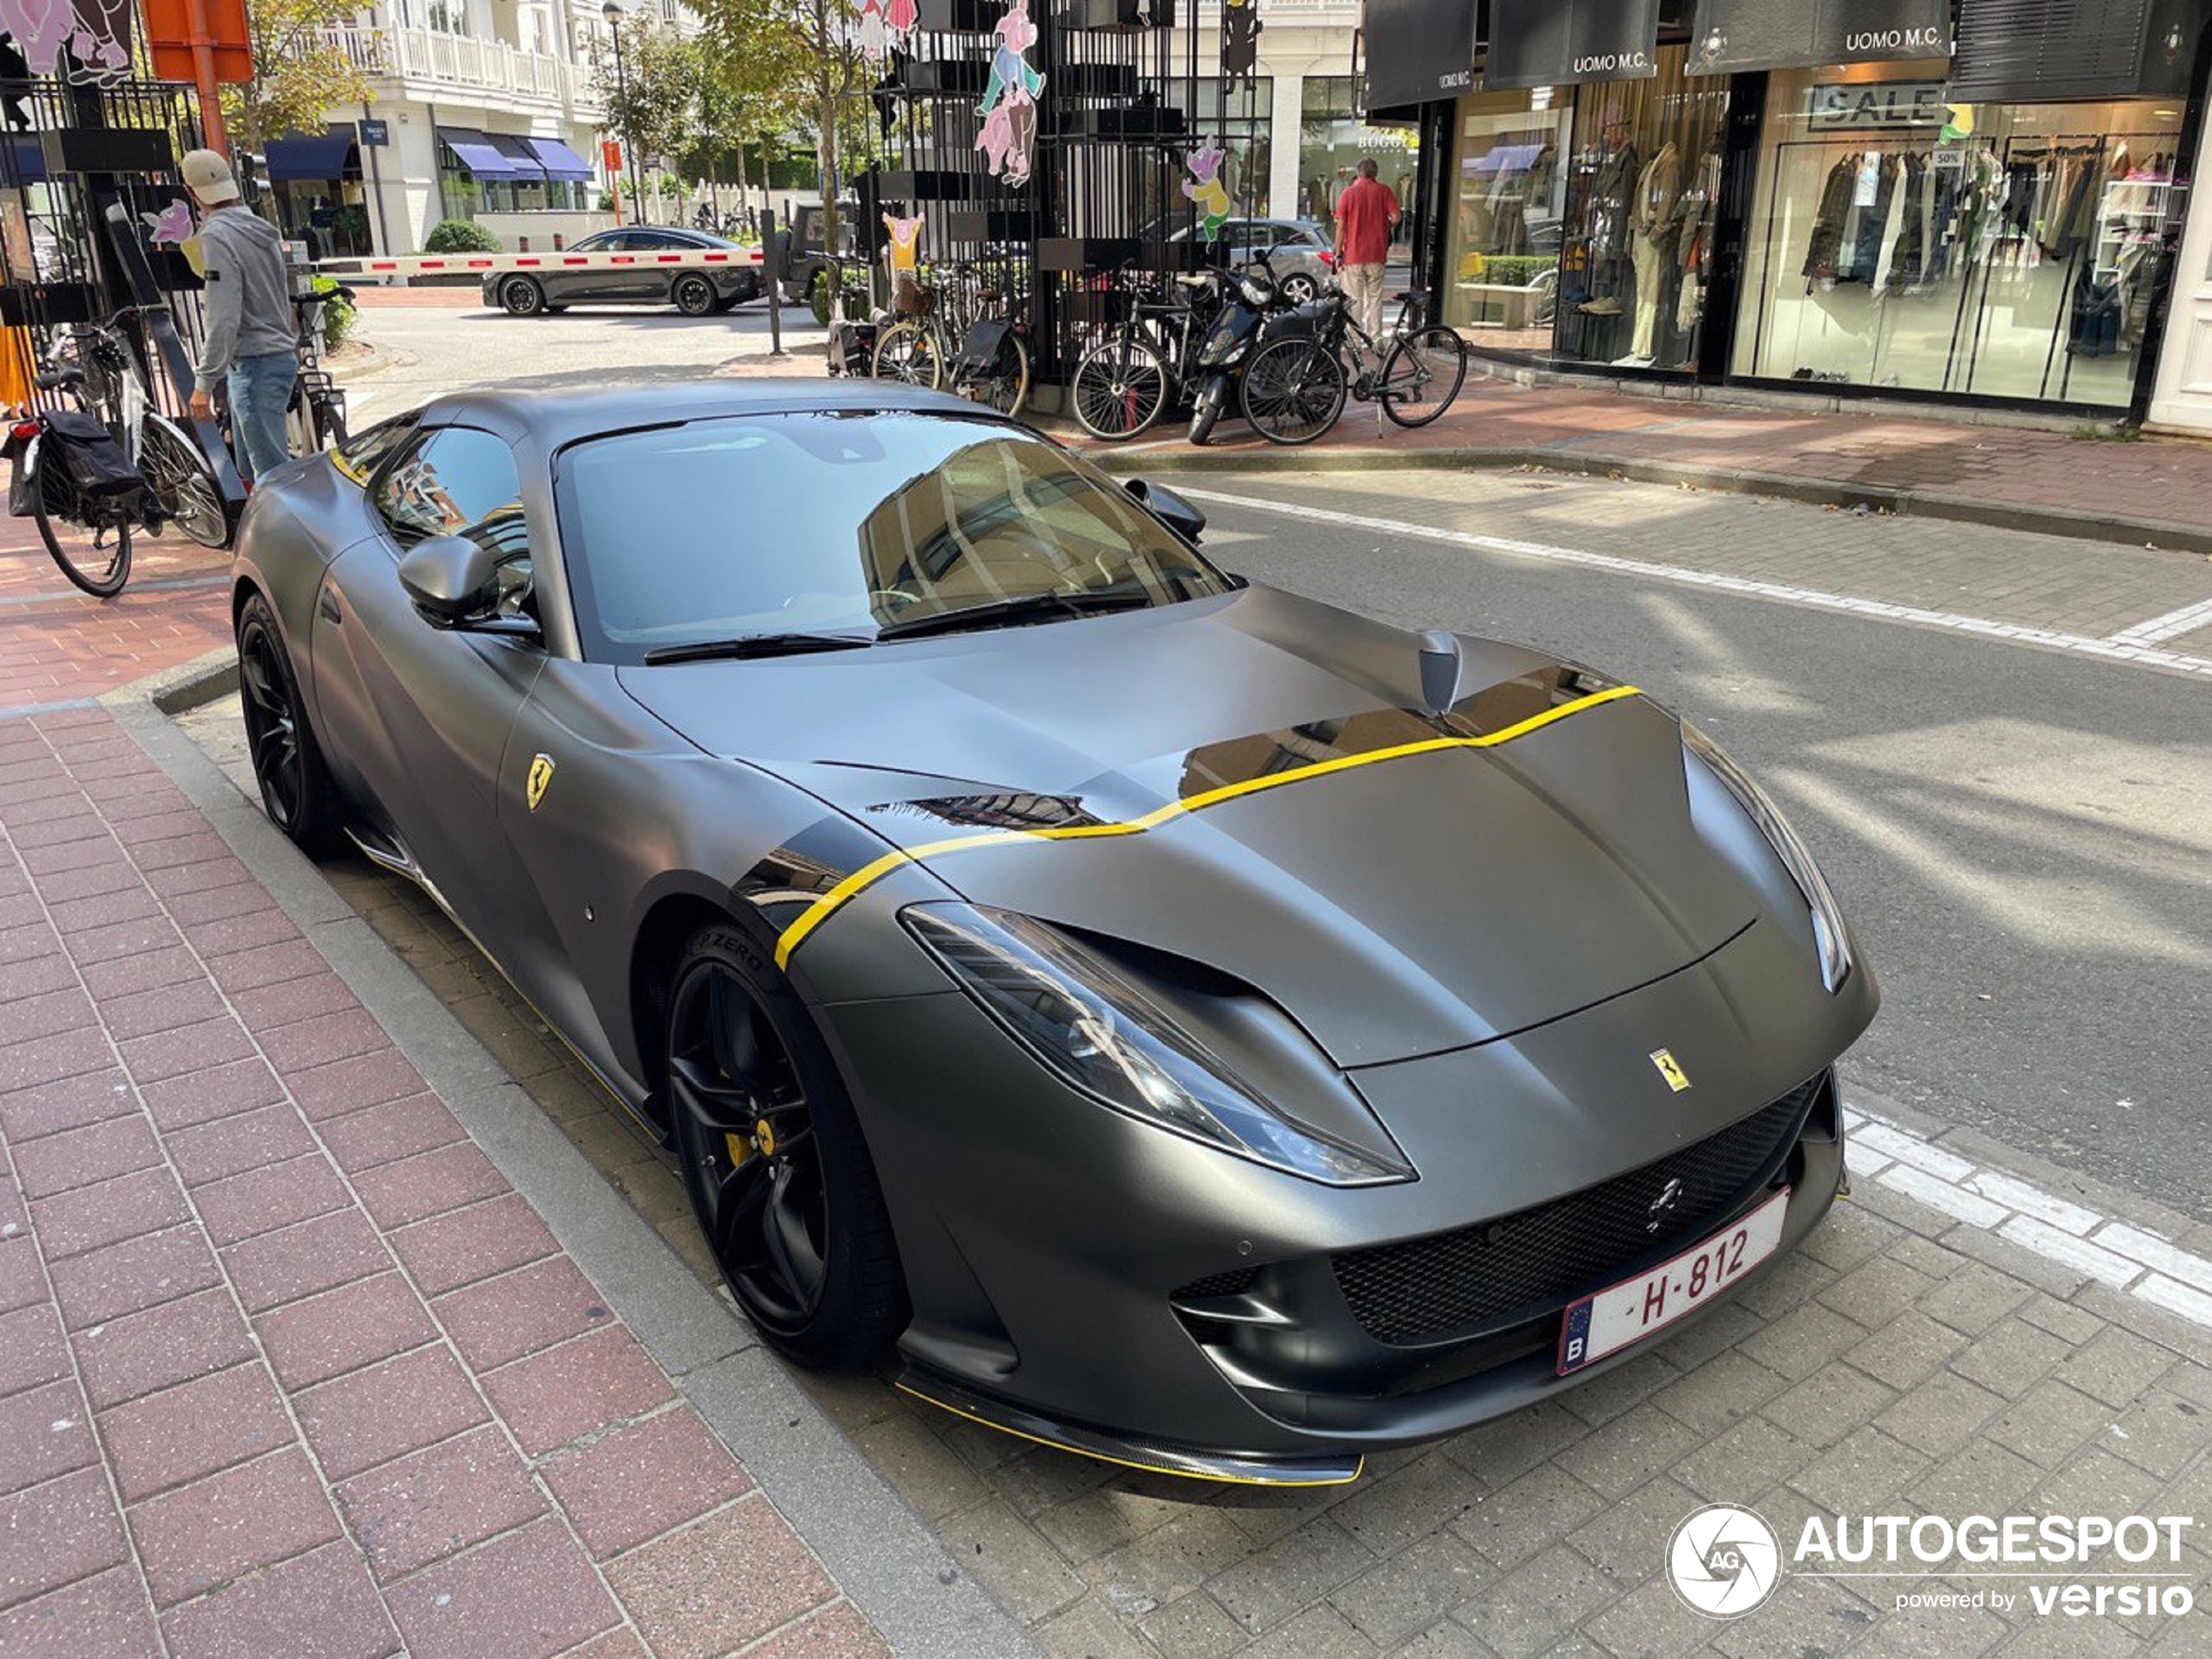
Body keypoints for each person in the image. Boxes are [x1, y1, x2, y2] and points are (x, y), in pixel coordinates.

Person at [181, 149, 297, 482]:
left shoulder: (217, 236)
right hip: (276, 356)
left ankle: (298, 533)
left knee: (272, 480)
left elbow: (223, 314)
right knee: (258, 474)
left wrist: (204, 382)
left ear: (191, 192)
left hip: (254, 363)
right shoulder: (261, 229)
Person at [1332, 157, 1399, 338]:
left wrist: (1338, 254)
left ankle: (1355, 339)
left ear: (1358, 173)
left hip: (1353, 255)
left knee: (1354, 300)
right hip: (1377, 254)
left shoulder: (1348, 193)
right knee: (1375, 299)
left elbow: (1340, 227)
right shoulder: (1384, 191)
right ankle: (1376, 337)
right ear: (1375, 173)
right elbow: (1396, 217)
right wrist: (1385, 226)